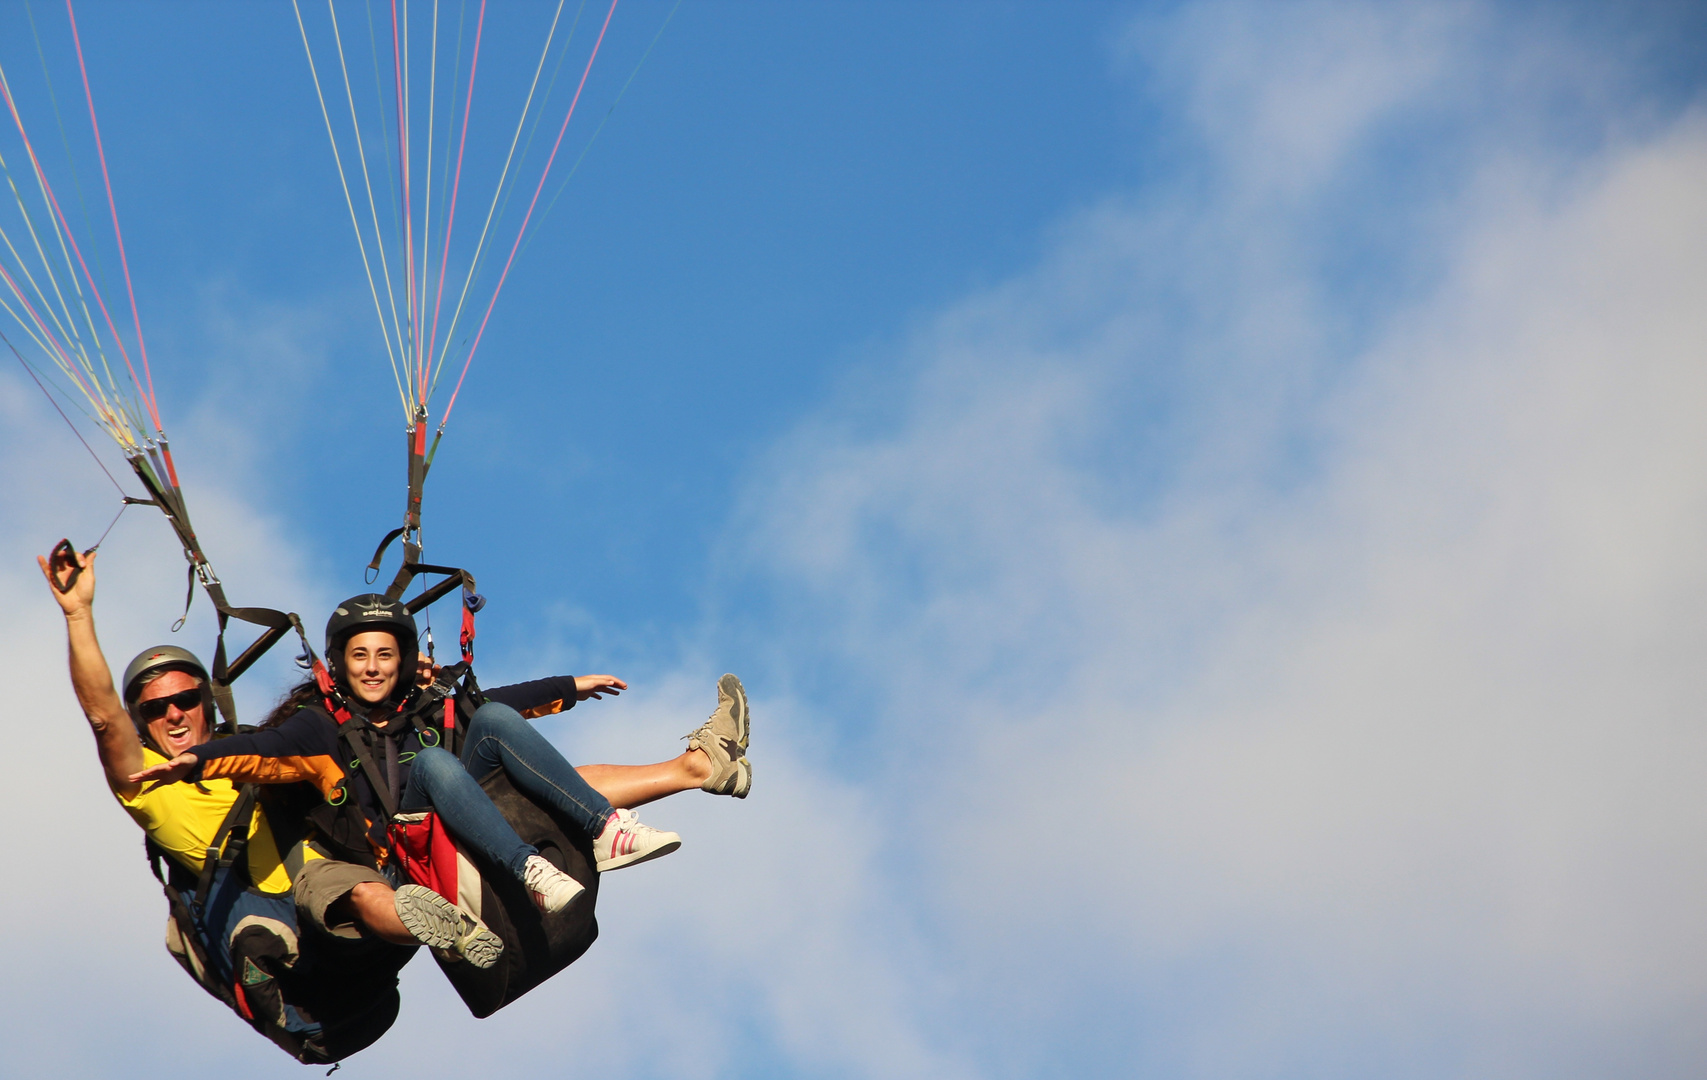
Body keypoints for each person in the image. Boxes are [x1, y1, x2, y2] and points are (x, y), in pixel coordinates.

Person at [131, 593, 752, 930]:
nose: (372, 667)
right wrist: (197, 761)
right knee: (433, 767)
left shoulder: (422, 711)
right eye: (358, 657)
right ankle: (530, 871)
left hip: (457, 824)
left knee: (494, 726)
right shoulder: (319, 726)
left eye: (383, 654)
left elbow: (497, 708)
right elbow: (263, 751)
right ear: (340, 666)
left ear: (401, 659)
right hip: (399, 856)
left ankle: (626, 816)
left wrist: (569, 686)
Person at [39, 550, 419, 1061]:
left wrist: (407, 684)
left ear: (207, 704)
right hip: (306, 939)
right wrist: (77, 615)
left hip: (362, 907)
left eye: (187, 701)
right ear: (142, 723)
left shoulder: (247, 751)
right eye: (155, 709)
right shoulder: (150, 787)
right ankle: (445, 927)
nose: (174, 715)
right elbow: (104, 717)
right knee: (351, 892)